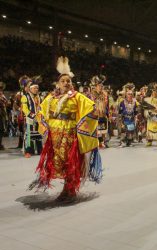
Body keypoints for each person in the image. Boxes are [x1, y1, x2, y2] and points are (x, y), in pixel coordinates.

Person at [28, 56, 102, 202]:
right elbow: (41, 112)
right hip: (55, 136)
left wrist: (97, 108)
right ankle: (67, 189)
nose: (66, 83)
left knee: (71, 162)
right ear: (58, 84)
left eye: (68, 81)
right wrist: (43, 121)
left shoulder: (77, 96)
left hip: (70, 134)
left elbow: (91, 108)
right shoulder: (51, 97)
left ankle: (70, 190)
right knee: (59, 162)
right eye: (63, 81)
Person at [21, 76, 43, 157]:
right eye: (35, 88)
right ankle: (28, 151)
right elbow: (25, 109)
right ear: (30, 89)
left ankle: (40, 150)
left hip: (38, 119)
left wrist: (41, 116)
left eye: (37, 88)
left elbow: (42, 107)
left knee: (38, 135)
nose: (36, 90)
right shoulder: (25, 97)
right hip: (30, 119)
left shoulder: (39, 97)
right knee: (29, 135)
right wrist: (32, 116)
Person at [89, 75, 109, 148]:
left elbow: (106, 104)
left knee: (103, 129)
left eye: (101, 86)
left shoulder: (105, 94)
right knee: (96, 129)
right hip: (94, 114)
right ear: (96, 86)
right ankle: (97, 141)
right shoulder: (91, 94)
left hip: (102, 114)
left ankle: (102, 141)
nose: (101, 87)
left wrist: (107, 113)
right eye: (99, 86)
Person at [143, 82, 157, 146]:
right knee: (150, 128)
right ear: (151, 92)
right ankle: (149, 140)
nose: (154, 93)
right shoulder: (147, 100)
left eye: (156, 91)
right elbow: (146, 109)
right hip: (151, 116)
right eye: (153, 91)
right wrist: (148, 113)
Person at [0, 82, 7, 150]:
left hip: (1, 115)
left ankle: (0, 144)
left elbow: (6, 102)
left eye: (1, 89)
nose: (1, 90)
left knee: (1, 129)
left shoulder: (2, 95)